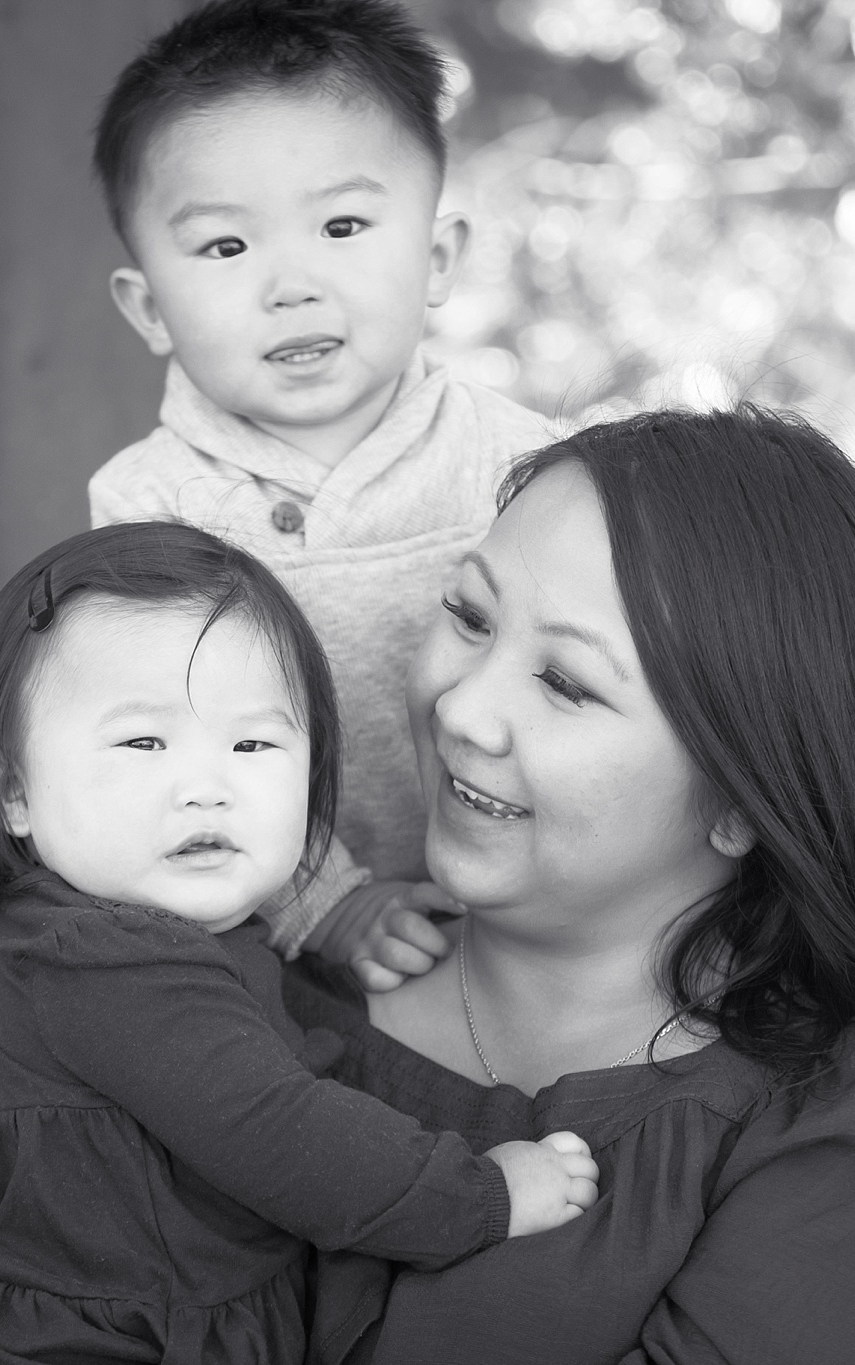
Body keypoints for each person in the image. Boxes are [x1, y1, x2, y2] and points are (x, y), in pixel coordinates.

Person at [285, 407, 855, 1365]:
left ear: (746, 798)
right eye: (469, 616)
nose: (462, 709)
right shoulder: (239, 995)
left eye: (567, 683)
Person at [0, 521, 599, 1365]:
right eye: (144, 741)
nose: (206, 788)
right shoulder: (101, 958)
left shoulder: (138, 945)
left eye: (253, 743)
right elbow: (289, 1136)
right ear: (13, 791)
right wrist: (485, 1195)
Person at [87, 0, 554, 980]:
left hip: (528, 909)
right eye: (225, 247)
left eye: (341, 224)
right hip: (258, 932)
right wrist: (322, 902)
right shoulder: (149, 509)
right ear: (146, 309)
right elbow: (176, 754)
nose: (291, 284)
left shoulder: (523, 470)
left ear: (434, 258)